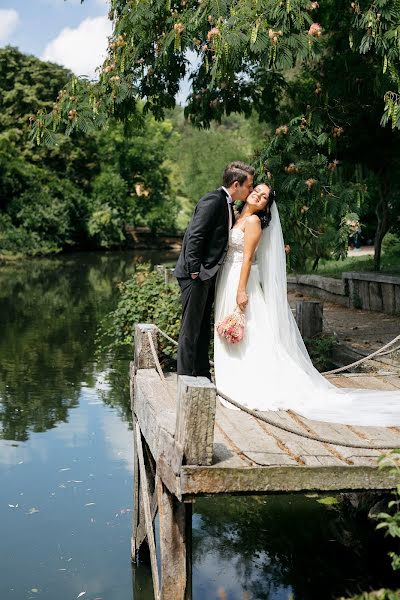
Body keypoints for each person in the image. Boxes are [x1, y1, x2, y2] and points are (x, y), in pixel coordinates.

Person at [214, 183, 400, 426]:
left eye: (264, 197)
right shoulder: (238, 216)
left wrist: (241, 290)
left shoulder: (253, 223)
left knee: (251, 334)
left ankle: (251, 382)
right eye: (257, 191)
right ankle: (232, 380)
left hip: (241, 280)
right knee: (236, 332)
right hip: (227, 278)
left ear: (266, 206)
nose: (258, 196)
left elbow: (248, 258)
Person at [173, 161, 254, 379]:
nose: (251, 190)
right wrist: (194, 271)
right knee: (190, 330)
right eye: (249, 186)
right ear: (236, 185)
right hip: (196, 275)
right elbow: (195, 235)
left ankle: (201, 374)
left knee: (201, 328)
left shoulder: (227, 204)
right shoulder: (213, 200)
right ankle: (186, 378)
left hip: (207, 274)